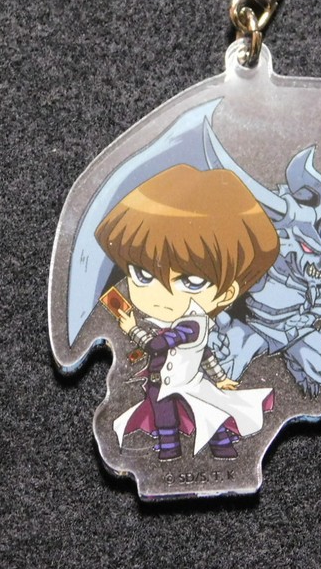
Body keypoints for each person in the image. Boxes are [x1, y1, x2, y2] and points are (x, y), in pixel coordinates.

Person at [94, 164, 278, 461]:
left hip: (187, 384)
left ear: (226, 293)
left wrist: (130, 328)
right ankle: (169, 453)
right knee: (165, 421)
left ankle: (223, 449)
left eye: (191, 281)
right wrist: (220, 376)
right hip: (160, 385)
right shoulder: (173, 322)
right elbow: (206, 355)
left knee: (208, 414)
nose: (161, 294)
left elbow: (159, 344)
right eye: (143, 274)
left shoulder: (192, 325)